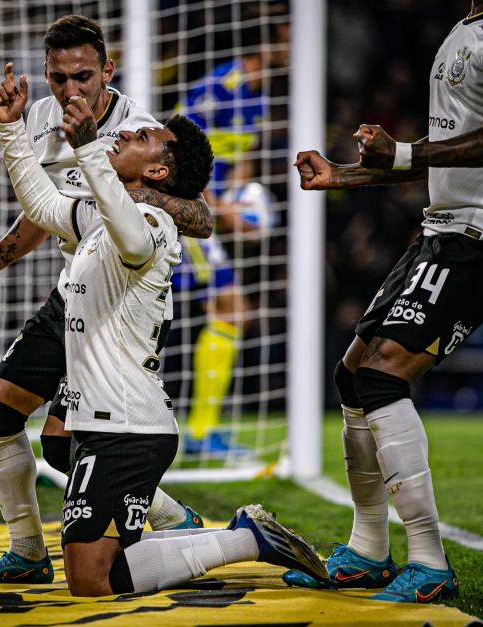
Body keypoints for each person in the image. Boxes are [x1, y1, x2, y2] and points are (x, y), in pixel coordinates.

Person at [0, 60, 327, 597]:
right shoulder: (102, 211)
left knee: (89, 581)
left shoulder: (149, 223)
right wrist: (10, 129)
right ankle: (204, 530)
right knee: (90, 567)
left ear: (158, 173)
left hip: (127, 424)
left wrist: (90, 149)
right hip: (96, 415)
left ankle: (244, 540)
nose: (128, 131)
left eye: (143, 136)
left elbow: (134, 236)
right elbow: (44, 204)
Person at [284, 0, 483, 604]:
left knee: (383, 374)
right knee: (354, 375)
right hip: (445, 225)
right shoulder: (463, 30)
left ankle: (429, 561)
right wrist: (345, 175)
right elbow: (448, 151)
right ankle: (367, 550)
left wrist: (404, 153)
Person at [0, 15, 212, 585]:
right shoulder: (42, 116)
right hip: (75, 292)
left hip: (118, 307)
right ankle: (27, 550)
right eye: (58, 77)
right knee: (1, 413)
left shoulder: (137, 131)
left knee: (68, 448)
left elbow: (201, 215)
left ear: (107, 72)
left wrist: (123, 183)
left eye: (84, 76)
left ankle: (173, 520)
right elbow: (49, 210)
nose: (71, 90)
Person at [176, 29, 284, 456]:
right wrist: (224, 209)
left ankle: (202, 431)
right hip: (183, 209)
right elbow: (176, 150)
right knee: (232, 310)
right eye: (290, 36)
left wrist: (238, 198)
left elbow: (244, 159)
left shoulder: (257, 99)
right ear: (269, 40)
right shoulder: (219, 87)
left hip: (207, 215)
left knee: (230, 312)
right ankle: (200, 431)